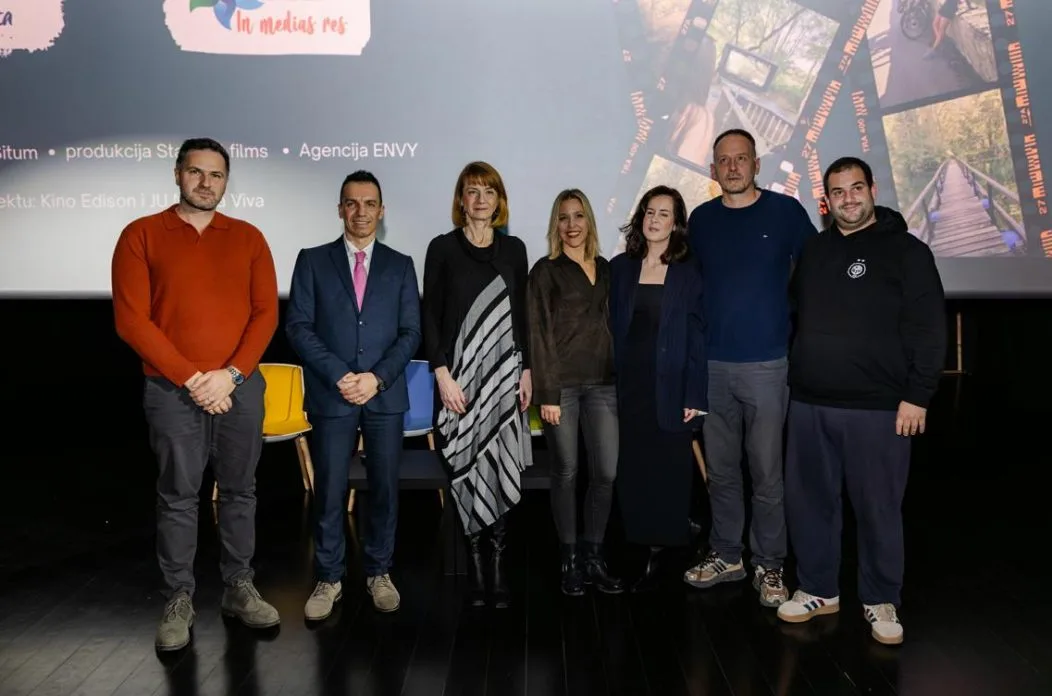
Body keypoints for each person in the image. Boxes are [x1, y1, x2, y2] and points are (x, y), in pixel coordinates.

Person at [111, 137, 280, 651]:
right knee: (178, 495)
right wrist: (193, 379)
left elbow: (265, 314)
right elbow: (131, 321)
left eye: (216, 174)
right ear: (177, 174)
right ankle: (179, 598)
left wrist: (230, 376)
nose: (206, 183)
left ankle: (238, 587)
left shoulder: (249, 237)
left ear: (226, 181)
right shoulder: (141, 234)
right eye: (196, 172)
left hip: (239, 389)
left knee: (241, 491)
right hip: (172, 390)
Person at [776, 156, 946, 646]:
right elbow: (797, 313)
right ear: (825, 201)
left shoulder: (908, 252)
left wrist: (918, 396)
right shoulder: (814, 250)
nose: (848, 199)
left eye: (856, 188)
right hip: (810, 403)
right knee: (810, 504)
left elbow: (929, 328)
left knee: (878, 508)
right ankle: (818, 588)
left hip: (879, 408)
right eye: (838, 192)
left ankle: (880, 598)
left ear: (872, 189)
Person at [683, 128, 816, 607]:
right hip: (713, 367)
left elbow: (815, 275)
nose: (733, 167)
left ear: (757, 164)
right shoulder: (700, 220)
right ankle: (727, 554)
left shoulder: (786, 213)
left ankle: (769, 564)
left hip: (768, 365)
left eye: (741, 158)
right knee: (721, 472)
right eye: (724, 160)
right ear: (713, 170)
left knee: (766, 474)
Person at [285, 170, 421, 619]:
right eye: (352, 203)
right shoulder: (312, 260)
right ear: (340, 208)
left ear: (382, 211)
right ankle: (329, 577)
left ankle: (379, 571)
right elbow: (298, 327)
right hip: (333, 393)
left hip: (384, 396)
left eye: (369, 203)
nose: (360, 211)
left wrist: (376, 379)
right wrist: (341, 375)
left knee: (384, 489)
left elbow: (410, 332)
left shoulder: (401, 265)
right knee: (328, 489)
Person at [422, 161, 533, 608]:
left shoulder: (515, 250)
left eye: (489, 191)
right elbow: (430, 316)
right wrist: (441, 373)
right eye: (473, 191)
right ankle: (475, 569)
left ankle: (498, 567)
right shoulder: (442, 248)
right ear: (461, 200)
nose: (481, 199)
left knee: (500, 464)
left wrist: (526, 369)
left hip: (504, 378)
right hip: (459, 381)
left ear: (499, 200)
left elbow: (522, 314)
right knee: (466, 469)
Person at [609, 185, 708, 592]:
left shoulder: (688, 271)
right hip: (628, 387)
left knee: (669, 469)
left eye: (664, 214)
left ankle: (669, 550)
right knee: (633, 469)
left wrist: (696, 395)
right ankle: (639, 548)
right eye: (649, 211)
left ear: (676, 224)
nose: (654, 220)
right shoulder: (620, 267)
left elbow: (698, 335)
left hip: (672, 386)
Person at [527, 189, 622, 597]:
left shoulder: (607, 268)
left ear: (589, 221)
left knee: (606, 473)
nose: (571, 225)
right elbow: (538, 335)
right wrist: (547, 393)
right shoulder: (545, 271)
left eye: (578, 216)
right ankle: (568, 559)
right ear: (556, 224)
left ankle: (593, 556)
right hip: (561, 388)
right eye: (564, 217)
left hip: (605, 384)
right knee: (565, 471)